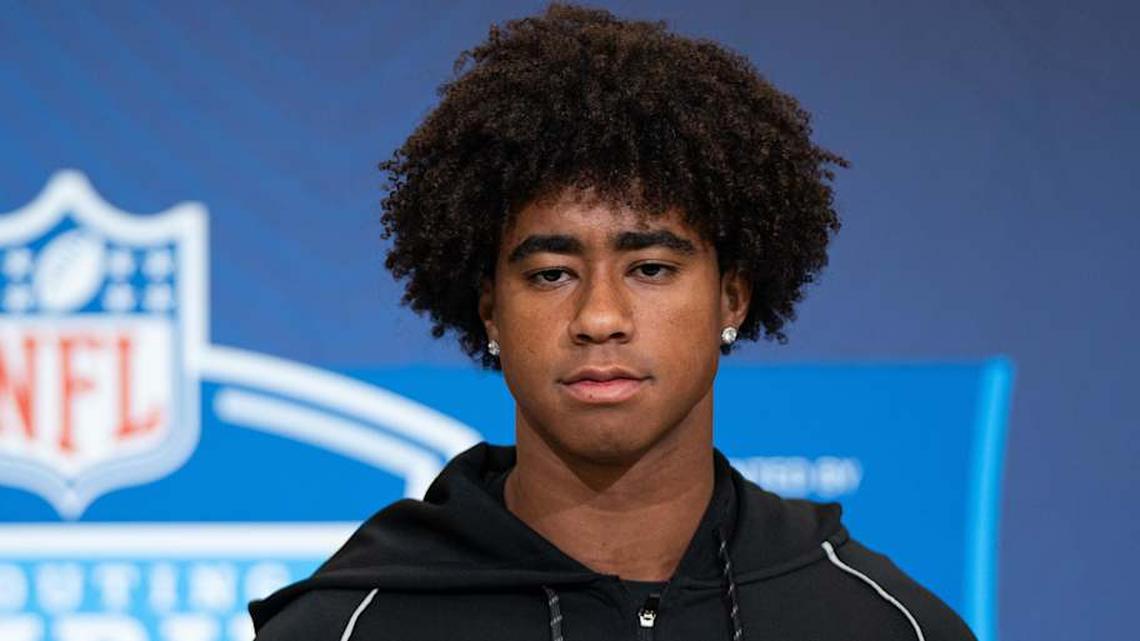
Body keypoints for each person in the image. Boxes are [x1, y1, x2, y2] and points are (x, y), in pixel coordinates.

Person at [250, 3, 975, 640]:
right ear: (489, 309)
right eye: (550, 273)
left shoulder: (882, 622)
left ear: (733, 296)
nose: (599, 316)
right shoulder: (346, 626)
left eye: (651, 267)